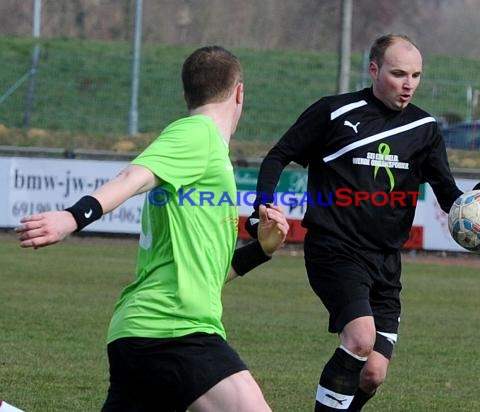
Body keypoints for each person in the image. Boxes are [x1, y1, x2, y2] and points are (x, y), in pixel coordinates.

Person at [16, 46, 289, 412]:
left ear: (185, 94)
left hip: (143, 330)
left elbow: (206, 275)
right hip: (172, 329)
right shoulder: (198, 135)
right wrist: (72, 218)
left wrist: (262, 250)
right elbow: (132, 176)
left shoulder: (203, 156)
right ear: (240, 92)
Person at [245, 34, 480, 411]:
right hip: (335, 250)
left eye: (416, 75)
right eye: (398, 74)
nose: (408, 84)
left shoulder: (424, 128)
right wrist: (263, 202)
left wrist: (477, 203)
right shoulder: (333, 112)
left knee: (373, 374)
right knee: (361, 339)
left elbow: (446, 191)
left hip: (386, 262)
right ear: (374, 69)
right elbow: (278, 156)